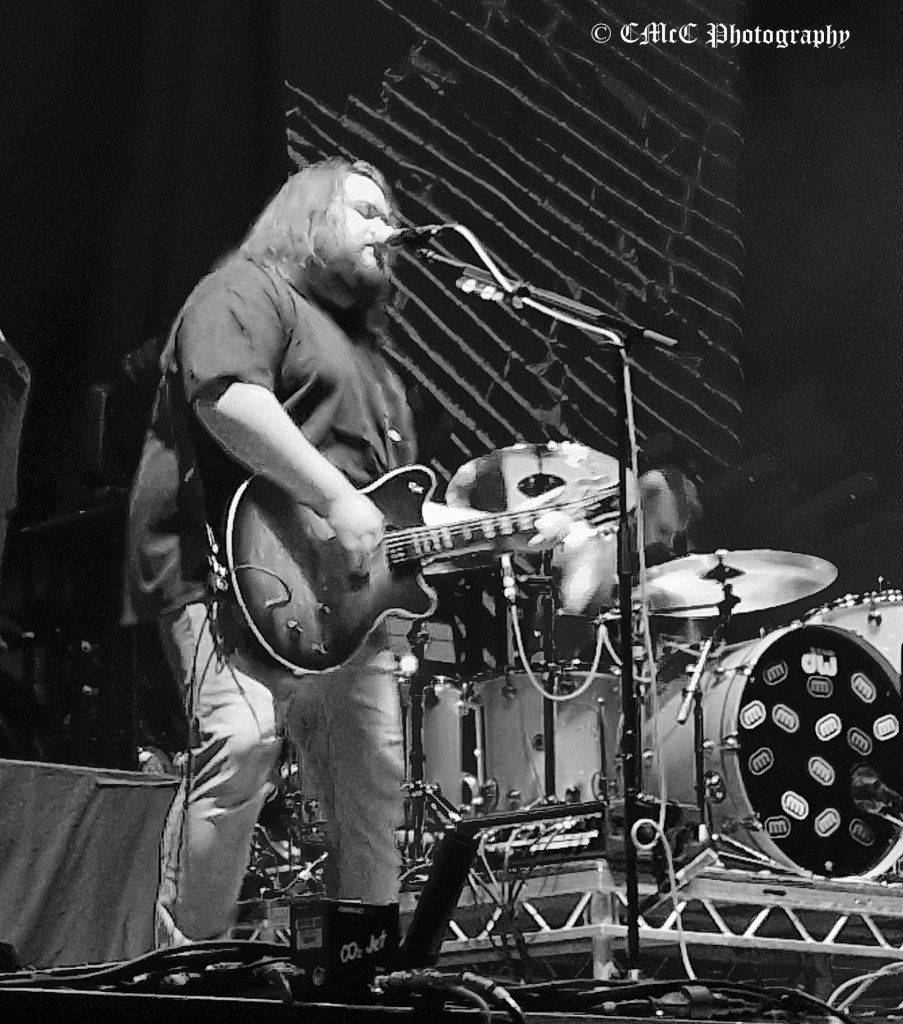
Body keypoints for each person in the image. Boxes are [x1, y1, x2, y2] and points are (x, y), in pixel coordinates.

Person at [124, 158, 423, 945]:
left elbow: (392, 509)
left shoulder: (376, 366)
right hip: (227, 571)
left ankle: (363, 972)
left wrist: (510, 527)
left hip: (344, 606)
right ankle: (184, 970)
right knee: (242, 741)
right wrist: (334, 498)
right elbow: (227, 396)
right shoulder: (245, 288)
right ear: (307, 216)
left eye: (389, 215)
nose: (386, 228)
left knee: (372, 783)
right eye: (364, 210)